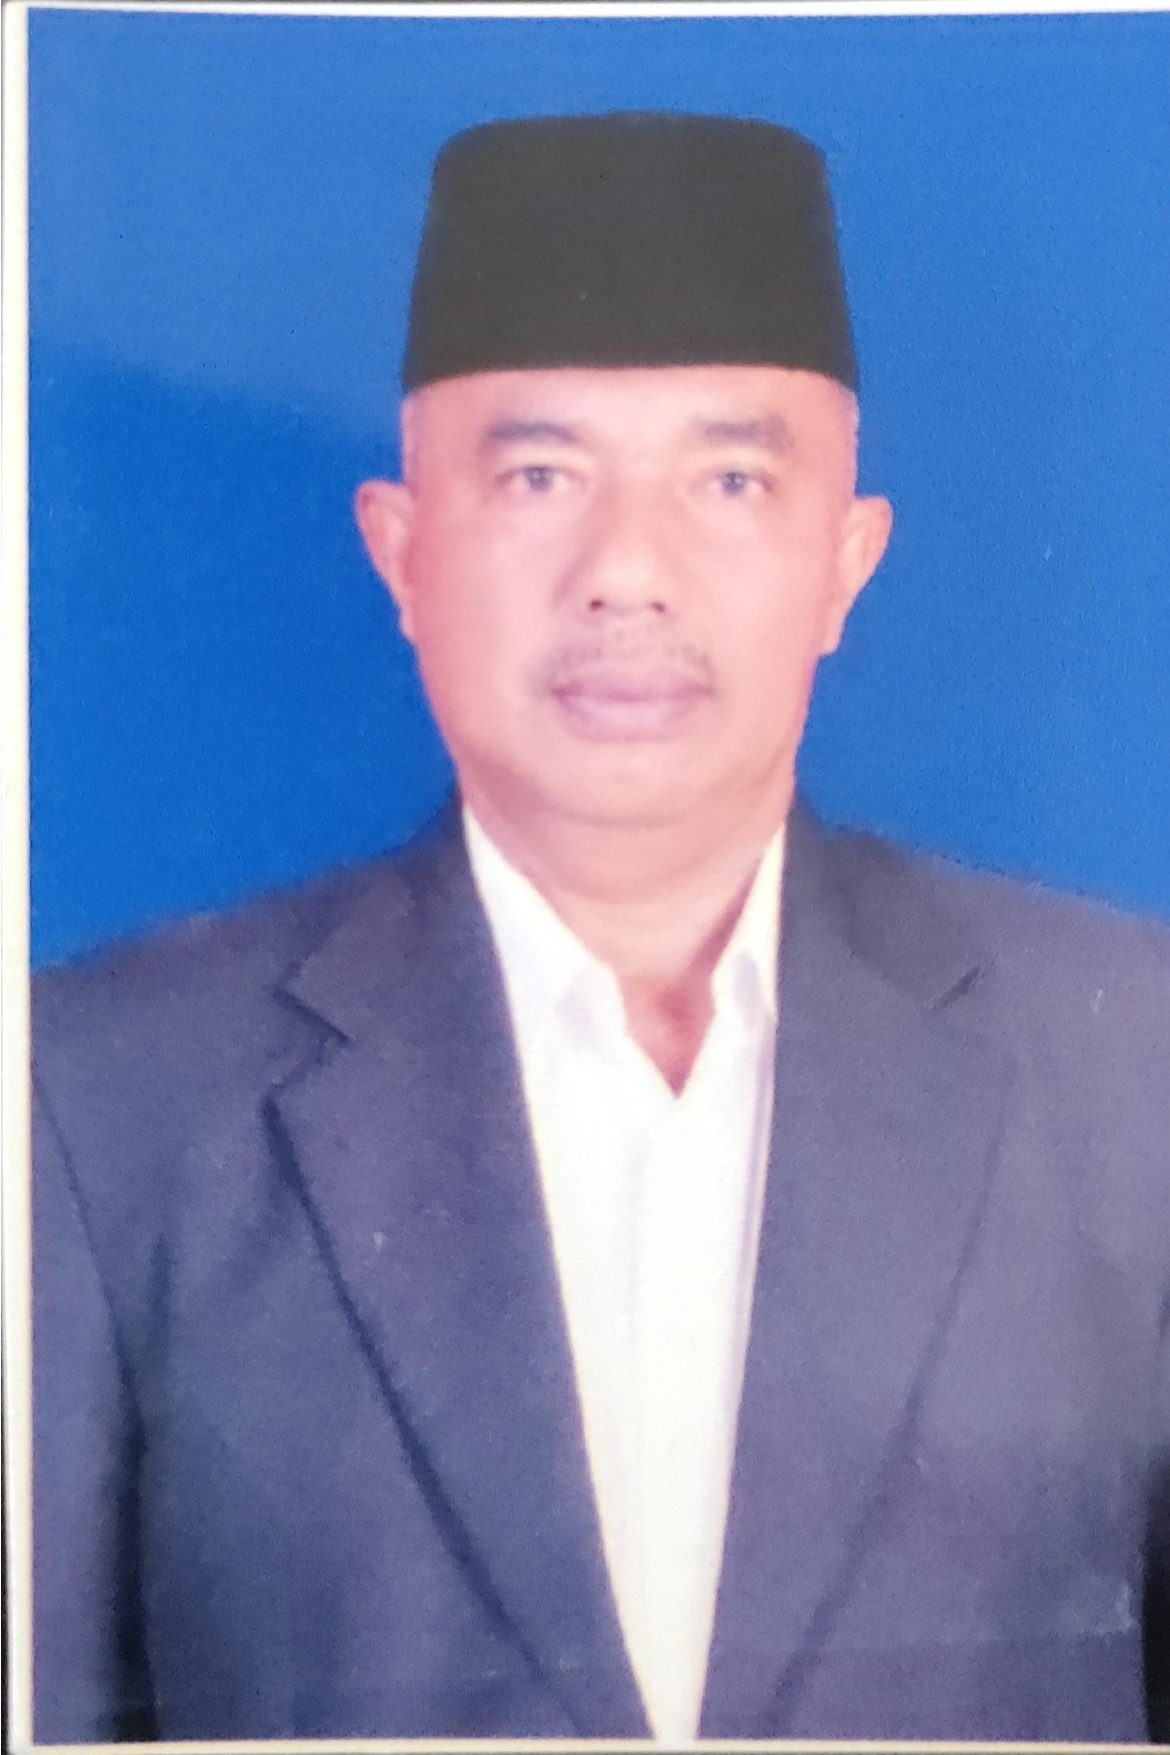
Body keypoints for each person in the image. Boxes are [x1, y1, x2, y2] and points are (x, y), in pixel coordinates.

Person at [31, 112, 1170, 1745]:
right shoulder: (97, 1095)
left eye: (729, 479)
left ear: (843, 563)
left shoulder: (1125, 1063)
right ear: (402, 552)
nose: (626, 573)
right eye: (540, 476)